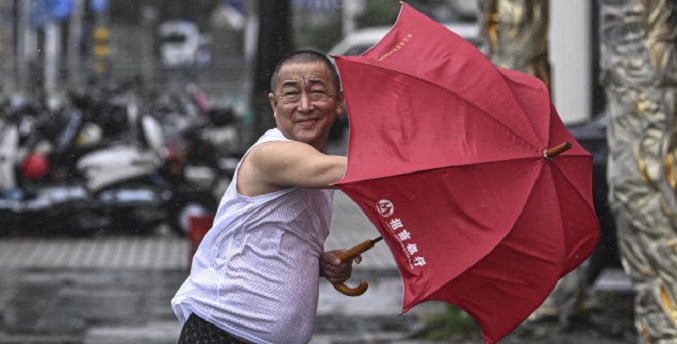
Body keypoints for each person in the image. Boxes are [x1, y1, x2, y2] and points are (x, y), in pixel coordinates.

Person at [171, 49, 360, 344]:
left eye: (317, 92)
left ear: (338, 102)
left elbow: (276, 237)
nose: (305, 105)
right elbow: (357, 171)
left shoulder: (315, 167)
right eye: (291, 94)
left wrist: (317, 264)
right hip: (221, 333)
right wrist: (425, 157)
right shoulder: (270, 154)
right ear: (274, 105)